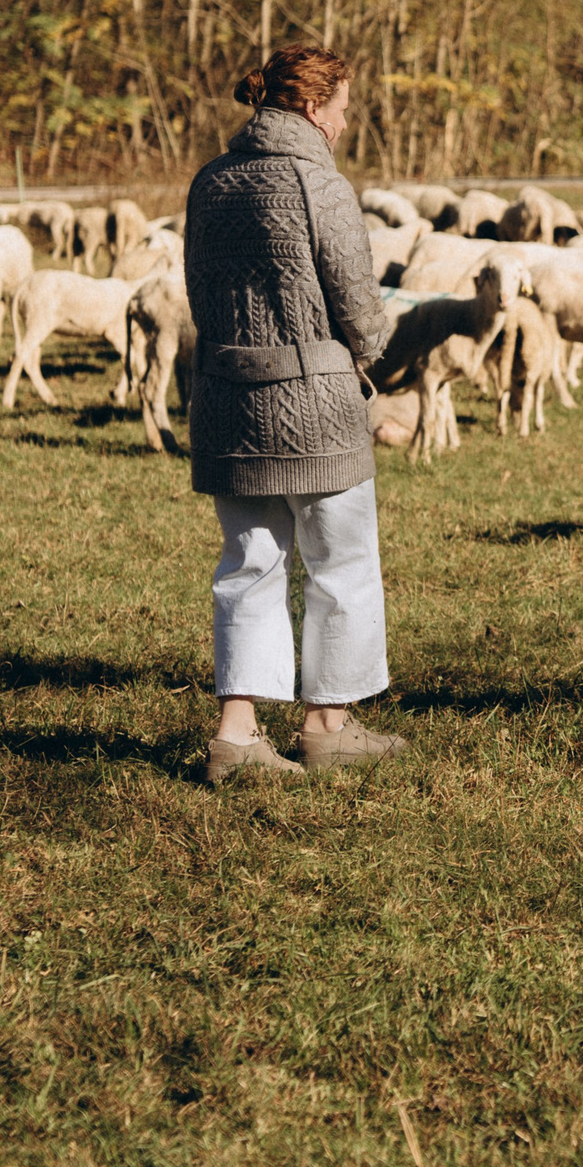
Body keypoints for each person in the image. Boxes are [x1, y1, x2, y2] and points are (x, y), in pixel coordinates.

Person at [184, 44, 404, 782]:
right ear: (312, 108)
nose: (343, 124)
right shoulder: (319, 183)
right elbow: (360, 309)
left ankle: (237, 735)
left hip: (227, 399)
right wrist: (369, 351)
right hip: (317, 409)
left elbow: (198, 293)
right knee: (340, 562)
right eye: (340, 110)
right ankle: (326, 725)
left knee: (248, 563)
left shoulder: (210, 181)